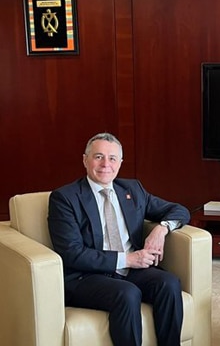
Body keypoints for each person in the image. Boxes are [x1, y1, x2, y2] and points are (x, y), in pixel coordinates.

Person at [48, 132, 190, 346]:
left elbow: (179, 210)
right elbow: (71, 253)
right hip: (85, 276)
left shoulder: (132, 189)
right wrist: (128, 259)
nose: (106, 164)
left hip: (130, 271)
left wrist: (161, 229)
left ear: (120, 163)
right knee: (127, 293)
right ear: (85, 160)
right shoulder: (64, 198)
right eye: (98, 157)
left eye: (112, 158)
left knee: (169, 282)